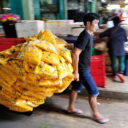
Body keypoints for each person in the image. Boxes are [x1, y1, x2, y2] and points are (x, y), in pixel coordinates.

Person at [67, 13, 109, 124]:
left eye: (98, 23)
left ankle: (70, 107)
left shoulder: (89, 34)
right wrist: (76, 72)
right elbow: (75, 53)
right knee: (94, 91)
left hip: (84, 67)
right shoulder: (85, 35)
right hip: (82, 69)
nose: (97, 26)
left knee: (76, 88)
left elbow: (76, 48)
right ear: (88, 23)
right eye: (95, 23)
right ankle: (95, 114)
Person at [99, 16, 127, 82]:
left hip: (113, 48)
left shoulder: (110, 30)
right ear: (119, 22)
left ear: (113, 22)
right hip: (121, 49)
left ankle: (114, 75)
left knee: (113, 62)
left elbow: (101, 35)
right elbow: (125, 40)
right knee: (121, 62)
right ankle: (121, 73)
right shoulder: (123, 30)